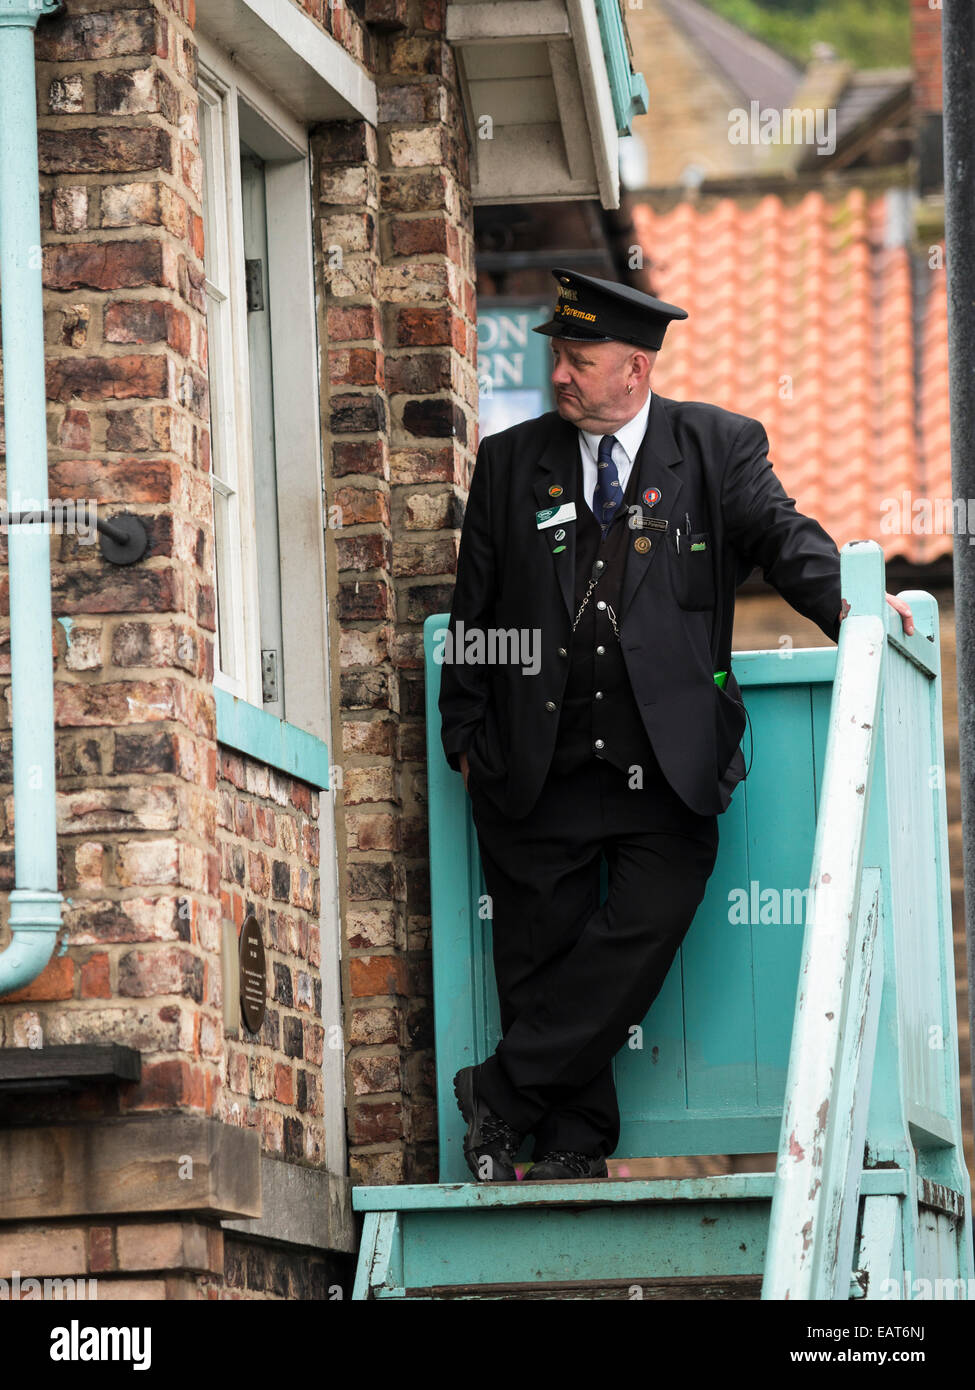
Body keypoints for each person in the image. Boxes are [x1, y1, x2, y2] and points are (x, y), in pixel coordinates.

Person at [439, 266, 914, 1183]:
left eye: (580, 360)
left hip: (668, 765)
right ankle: (568, 1143)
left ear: (637, 370)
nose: (561, 376)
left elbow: (783, 539)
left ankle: (498, 1091)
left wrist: (860, 606)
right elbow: (477, 614)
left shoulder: (715, 448)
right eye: (558, 357)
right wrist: (466, 732)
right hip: (534, 762)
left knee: (637, 937)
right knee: (544, 955)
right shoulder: (511, 463)